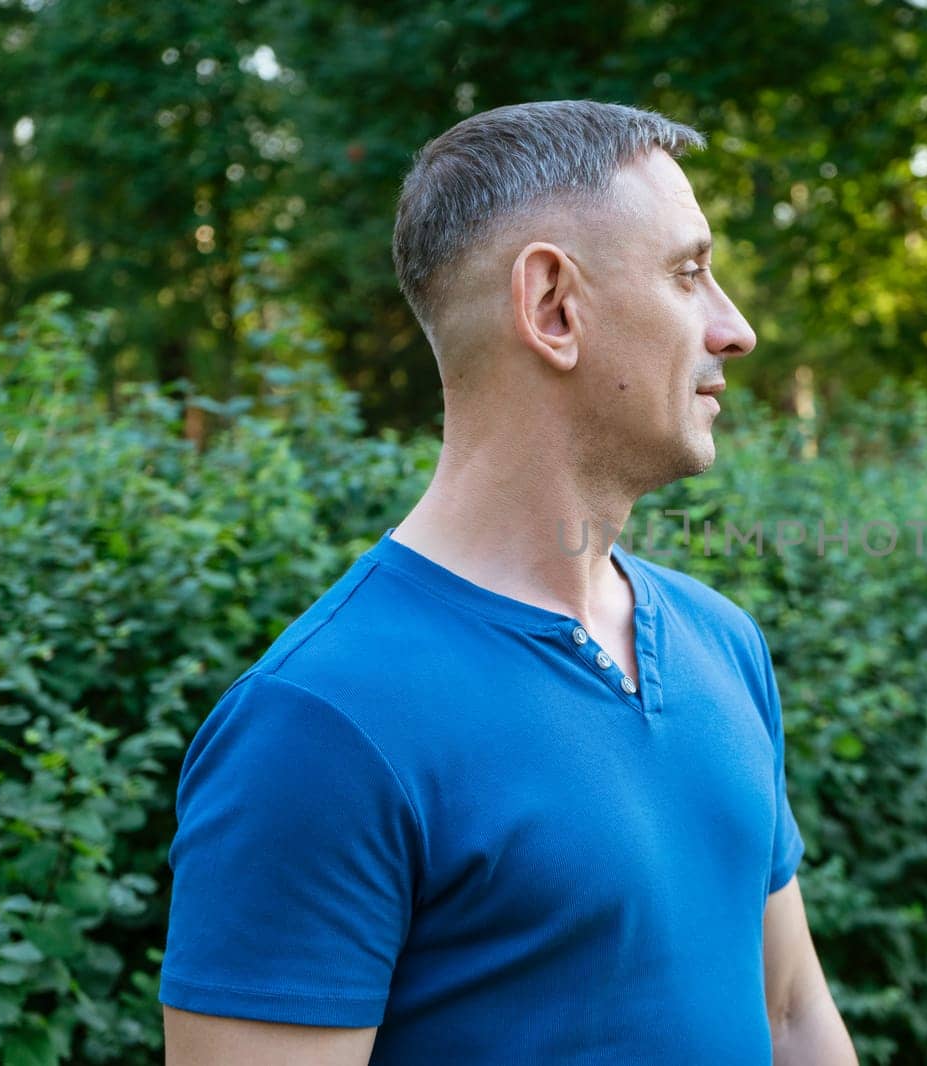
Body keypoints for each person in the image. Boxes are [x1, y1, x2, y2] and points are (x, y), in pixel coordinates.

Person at [159, 100, 857, 1065]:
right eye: (689, 273)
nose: (732, 328)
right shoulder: (316, 725)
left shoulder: (720, 640)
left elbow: (790, 1015)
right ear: (553, 307)